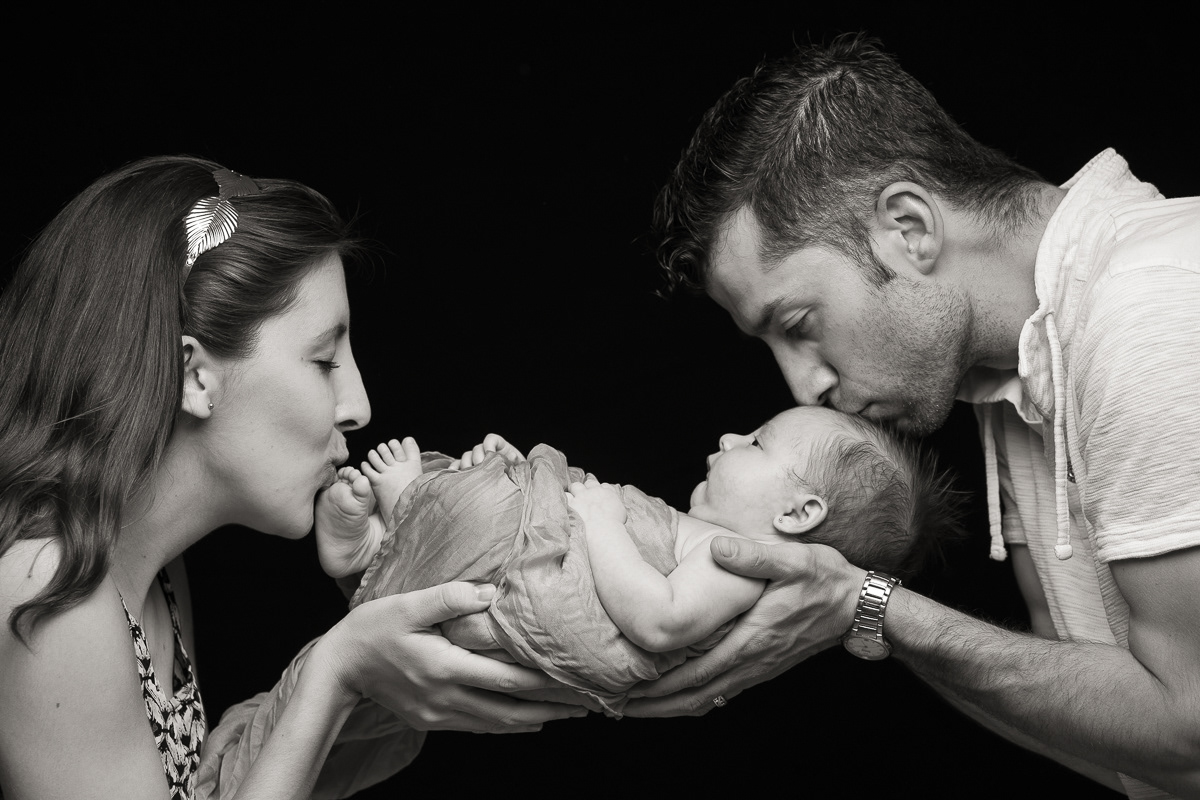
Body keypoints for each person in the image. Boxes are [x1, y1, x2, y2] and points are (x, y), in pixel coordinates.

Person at [642, 33, 1200, 798]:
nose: (803, 386)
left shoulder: (1153, 311)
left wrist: (871, 606)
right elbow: (1106, 733)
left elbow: (1188, 732)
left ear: (908, 228)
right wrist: (849, 603)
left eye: (799, 324)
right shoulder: (1010, 370)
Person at [0, 156, 582, 800]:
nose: (359, 406)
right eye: (324, 360)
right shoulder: (52, 593)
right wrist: (337, 672)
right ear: (194, 376)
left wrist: (403, 579)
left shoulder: (151, 577)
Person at [313, 406, 960, 716]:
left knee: (499, 517)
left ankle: (403, 518)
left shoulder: (741, 564)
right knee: (505, 507)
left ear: (798, 514)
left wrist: (599, 521)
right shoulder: (709, 544)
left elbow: (659, 621)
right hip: (553, 601)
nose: (730, 436)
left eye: (756, 443)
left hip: (567, 611)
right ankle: (390, 544)